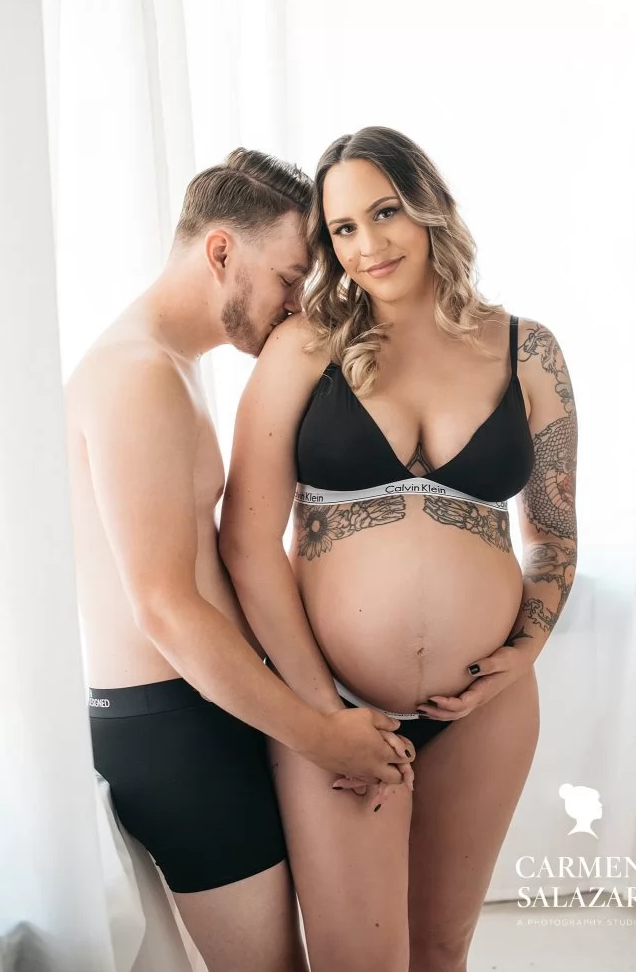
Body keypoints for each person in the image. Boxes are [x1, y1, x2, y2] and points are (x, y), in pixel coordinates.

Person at [221, 126, 578, 972]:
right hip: (336, 699)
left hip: (485, 710)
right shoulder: (306, 346)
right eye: (342, 229)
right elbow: (244, 541)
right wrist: (321, 716)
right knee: (357, 962)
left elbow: (555, 533)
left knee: (443, 951)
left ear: (429, 209)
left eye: (384, 213)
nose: (368, 245)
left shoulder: (529, 351)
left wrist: (527, 650)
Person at [65, 148, 413, 972]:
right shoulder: (137, 374)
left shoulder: (170, 366)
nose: (299, 306)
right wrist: (323, 736)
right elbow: (165, 607)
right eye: (292, 277)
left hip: (202, 715)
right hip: (172, 731)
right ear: (221, 252)